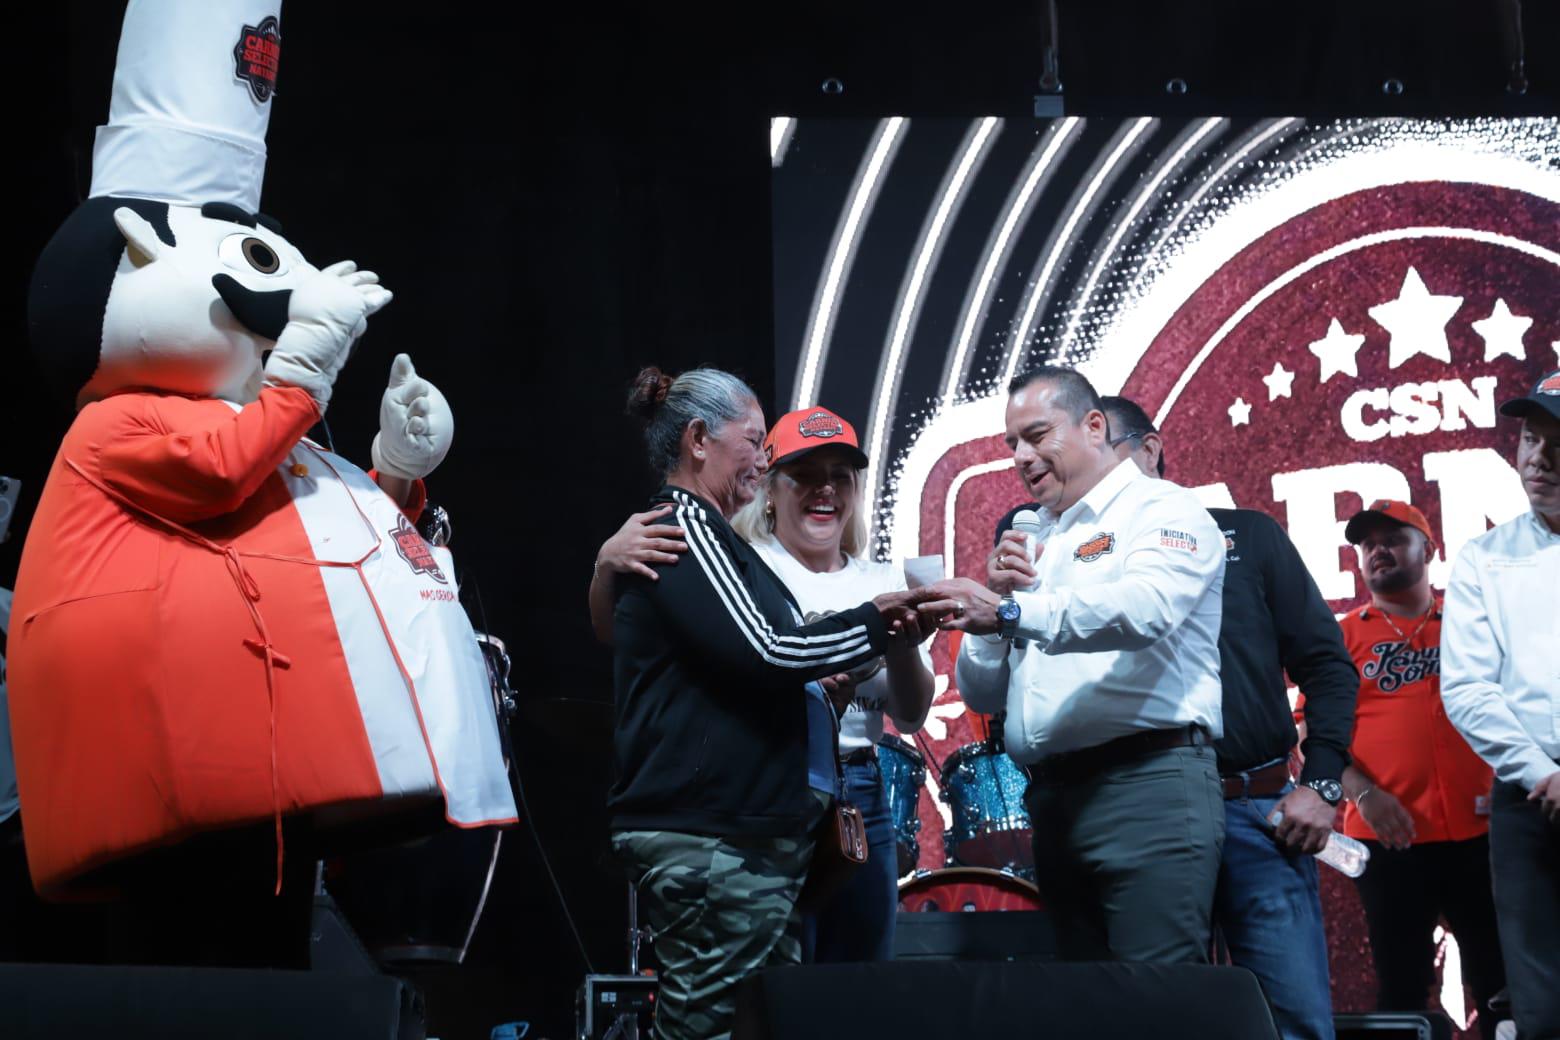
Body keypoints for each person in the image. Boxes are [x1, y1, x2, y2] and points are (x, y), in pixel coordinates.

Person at [604, 367, 936, 1040]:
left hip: (749, 829)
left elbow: (745, 664)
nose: (762, 458)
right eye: (755, 442)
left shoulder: (711, 535)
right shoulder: (687, 528)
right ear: (699, 440)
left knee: (756, 1020)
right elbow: (769, 650)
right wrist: (876, 621)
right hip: (714, 834)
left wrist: (820, 686)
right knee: (716, 1027)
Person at [934, 365, 1227, 964]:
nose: (1021, 456)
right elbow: (983, 696)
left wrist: (1012, 613)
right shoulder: (1036, 537)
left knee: (1160, 996)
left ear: (1094, 426)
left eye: (1037, 434)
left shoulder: (1164, 508)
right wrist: (996, 607)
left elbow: (1146, 609)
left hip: (1148, 786)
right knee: (1084, 1001)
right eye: (1012, 443)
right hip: (1053, 799)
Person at [1094, 396, 1356, 1040]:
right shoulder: (1082, 559)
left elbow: (1327, 665)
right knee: (1158, 1020)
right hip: (1141, 814)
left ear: (1150, 449)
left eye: (1105, 454)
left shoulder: (1247, 535)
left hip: (1253, 808)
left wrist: (1323, 782)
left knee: (1293, 1021)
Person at [1336, 499, 1506, 1039]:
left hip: (1483, 831)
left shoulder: (1471, 621)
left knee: (1501, 981)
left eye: (1393, 539)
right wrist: (1364, 795)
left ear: (1428, 549)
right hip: (1388, 841)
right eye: (1368, 544)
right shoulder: (1342, 636)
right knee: (1402, 988)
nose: (1378, 551)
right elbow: (1315, 735)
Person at [1441, 370, 1560, 1040]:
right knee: (1541, 1005)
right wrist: (1542, 772)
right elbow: (1468, 688)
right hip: (1528, 799)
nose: (1538, 458)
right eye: (1529, 439)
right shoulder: (1485, 557)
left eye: (1557, 442)